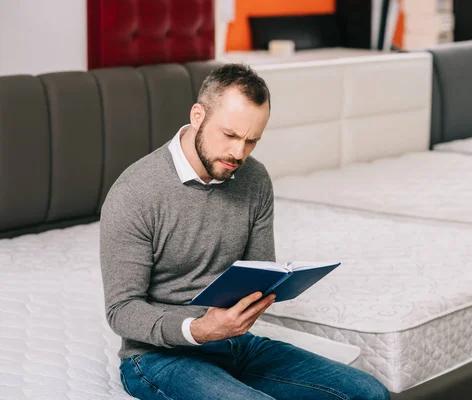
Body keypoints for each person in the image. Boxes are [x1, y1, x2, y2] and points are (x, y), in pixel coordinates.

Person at [100, 64, 390, 400]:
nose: (239, 152)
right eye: (230, 135)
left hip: (234, 343)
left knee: (369, 393)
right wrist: (198, 329)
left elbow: (259, 271)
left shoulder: (254, 179)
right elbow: (121, 310)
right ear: (198, 116)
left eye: (252, 140)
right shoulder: (135, 192)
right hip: (158, 357)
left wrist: (274, 287)